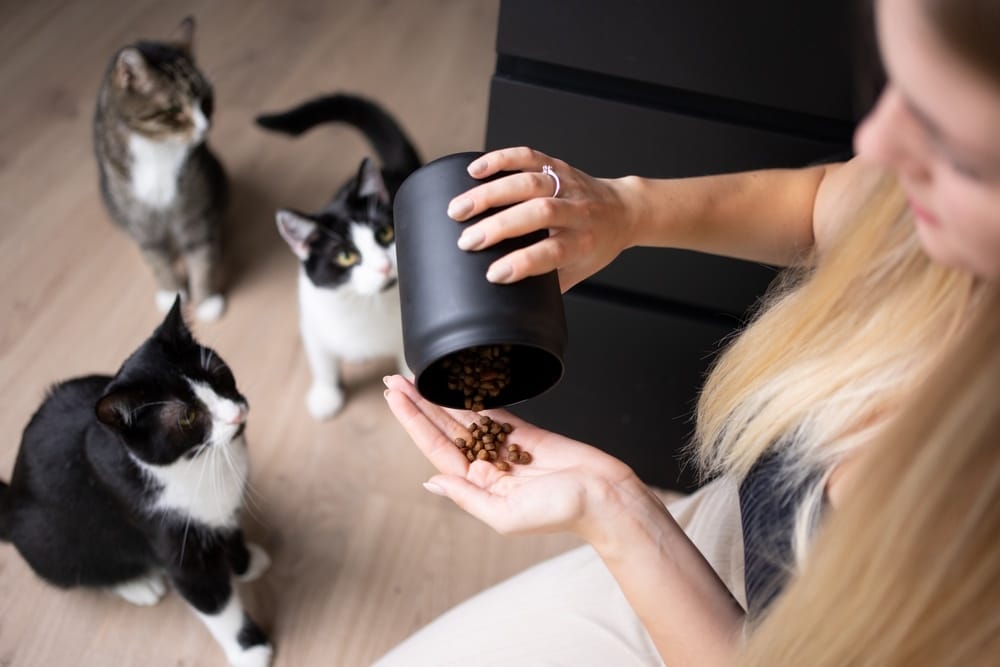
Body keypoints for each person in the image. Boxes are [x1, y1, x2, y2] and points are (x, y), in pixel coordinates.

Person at [378, 0, 1000, 663]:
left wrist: (614, 514)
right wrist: (629, 207)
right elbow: (833, 206)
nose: (875, 145)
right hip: (719, 550)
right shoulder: (918, 198)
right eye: (899, 88)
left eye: (954, 147)